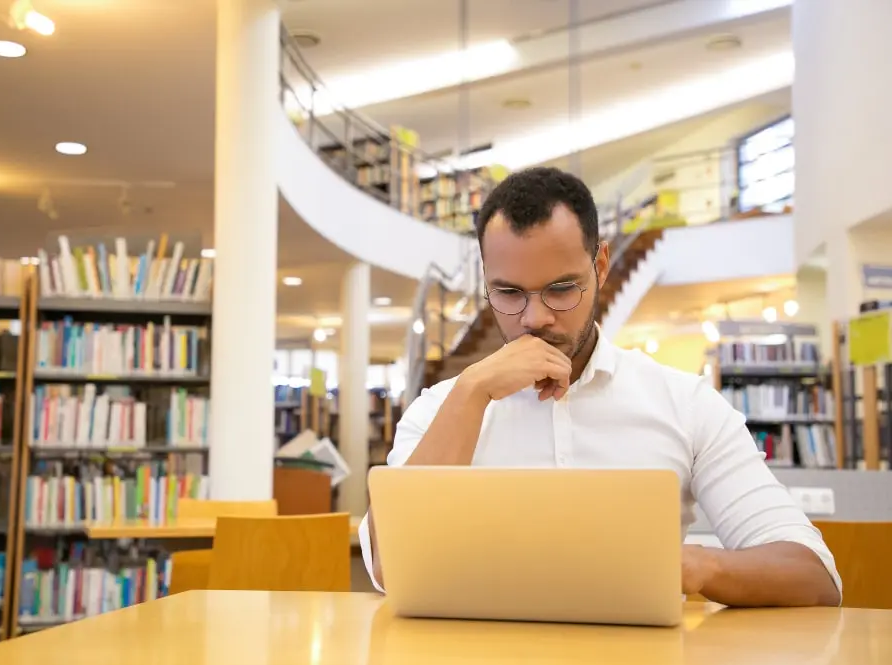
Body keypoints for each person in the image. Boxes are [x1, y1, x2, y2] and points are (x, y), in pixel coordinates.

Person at [360, 166, 841, 608]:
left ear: (602, 266)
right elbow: (393, 570)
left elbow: (815, 578)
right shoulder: (440, 409)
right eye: (508, 293)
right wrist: (470, 393)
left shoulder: (684, 403)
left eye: (562, 288)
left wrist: (695, 565)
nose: (535, 317)